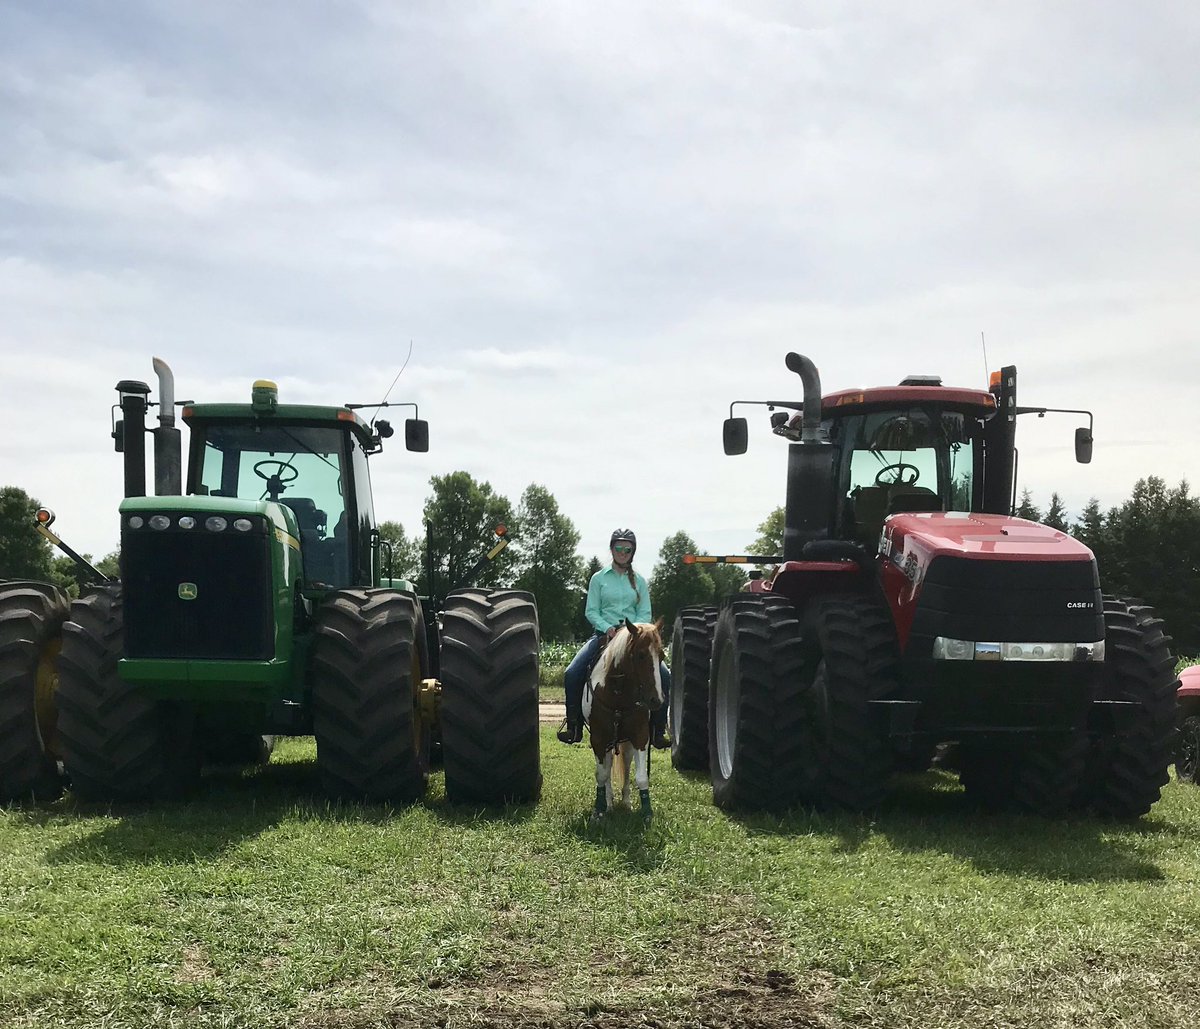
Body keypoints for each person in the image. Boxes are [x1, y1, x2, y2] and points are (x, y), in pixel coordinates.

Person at [557, 528, 672, 748]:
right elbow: (591, 611)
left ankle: (658, 730)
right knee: (572, 673)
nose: (622, 552)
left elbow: (645, 613)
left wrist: (632, 631)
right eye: (618, 547)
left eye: (627, 549)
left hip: (634, 638)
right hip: (603, 635)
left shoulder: (640, 581)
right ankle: (574, 726)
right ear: (611, 549)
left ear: (632, 552)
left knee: (665, 675)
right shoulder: (598, 579)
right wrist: (608, 628)